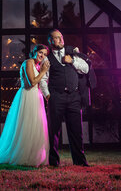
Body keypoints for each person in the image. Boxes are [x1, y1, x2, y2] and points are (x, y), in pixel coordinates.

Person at [0, 44, 51, 167]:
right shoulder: (28, 62)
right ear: (34, 52)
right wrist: (44, 71)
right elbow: (32, 82)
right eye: (40, 52)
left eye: (44, 54)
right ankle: (22, 155)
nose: (42, 56)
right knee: (26, 126)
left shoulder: (38, 66)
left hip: (37, 97)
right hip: (28, 96)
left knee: (36, 126)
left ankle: (33, 156)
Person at [40, 29, 89, 167]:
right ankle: (53, 162)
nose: (61, 40)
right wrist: (48, 96)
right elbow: (43, 80)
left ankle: (80, 162)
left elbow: (85, 69)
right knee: (53, 131)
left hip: (74, 97)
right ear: (50, 41)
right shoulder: (46, 59)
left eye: (61, 37)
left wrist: (72, 60)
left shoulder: (72, 53)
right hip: (56, 97)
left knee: (76, 131)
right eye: (56, 38)